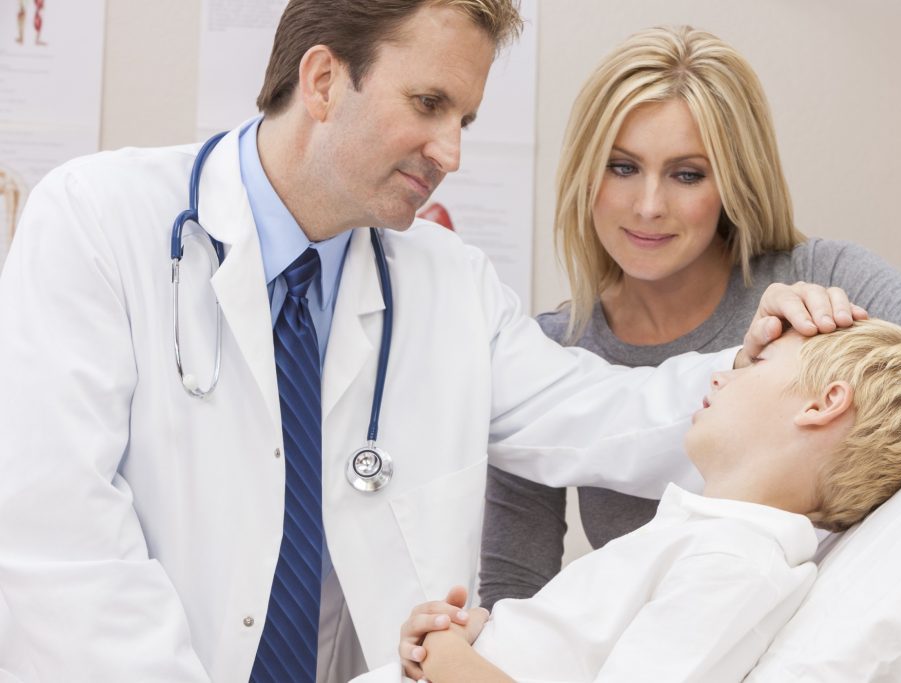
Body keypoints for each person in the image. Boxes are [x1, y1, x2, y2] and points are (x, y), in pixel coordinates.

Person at [0, 3, 857, 682]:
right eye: (429, 104)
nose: (450, 151)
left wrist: (759, 361)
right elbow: (59, 540)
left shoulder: (446, 280)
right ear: (325, 78)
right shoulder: (99, 221)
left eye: (467, 119)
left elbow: (601, 416)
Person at [480, 25, 901, 611]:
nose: (648, 206)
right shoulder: (550, 352)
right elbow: (515, 585)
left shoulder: (820, 281)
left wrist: (829, 408)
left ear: (733, 182)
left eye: (687, 174)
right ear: (585, 172)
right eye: (621, 167)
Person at [382, 320, 901, 682]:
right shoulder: (703, 537)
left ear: (823, 403)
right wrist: (486, 633)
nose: (720, 376)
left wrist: (446, 657)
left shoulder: (735, 567)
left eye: (758, 364)